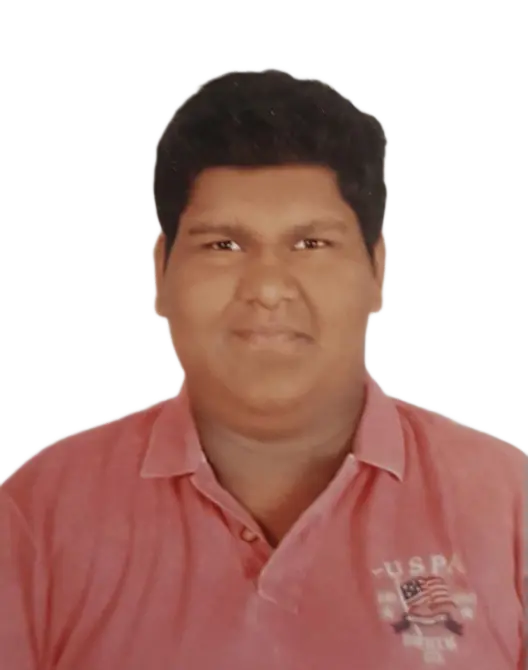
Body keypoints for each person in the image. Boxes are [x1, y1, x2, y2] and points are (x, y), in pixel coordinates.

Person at [1, 67, 526, 669]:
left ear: (378, 269)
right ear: (160, 271)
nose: (269, 287)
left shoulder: (509, 509)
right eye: (223, 245)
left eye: (311, 244)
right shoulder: (39, 518)